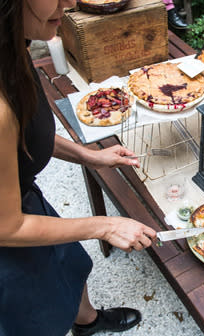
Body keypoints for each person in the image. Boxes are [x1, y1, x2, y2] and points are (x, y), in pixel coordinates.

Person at [0, 1, 158, 335]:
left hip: (22, 199)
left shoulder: (13, 46)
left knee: (71, 263)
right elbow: (8, 228)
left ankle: (86, 321)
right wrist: (104, 225)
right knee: (36, 314)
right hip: (8, 232)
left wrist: (89, 155)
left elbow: (23, 138)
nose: (71, 2)